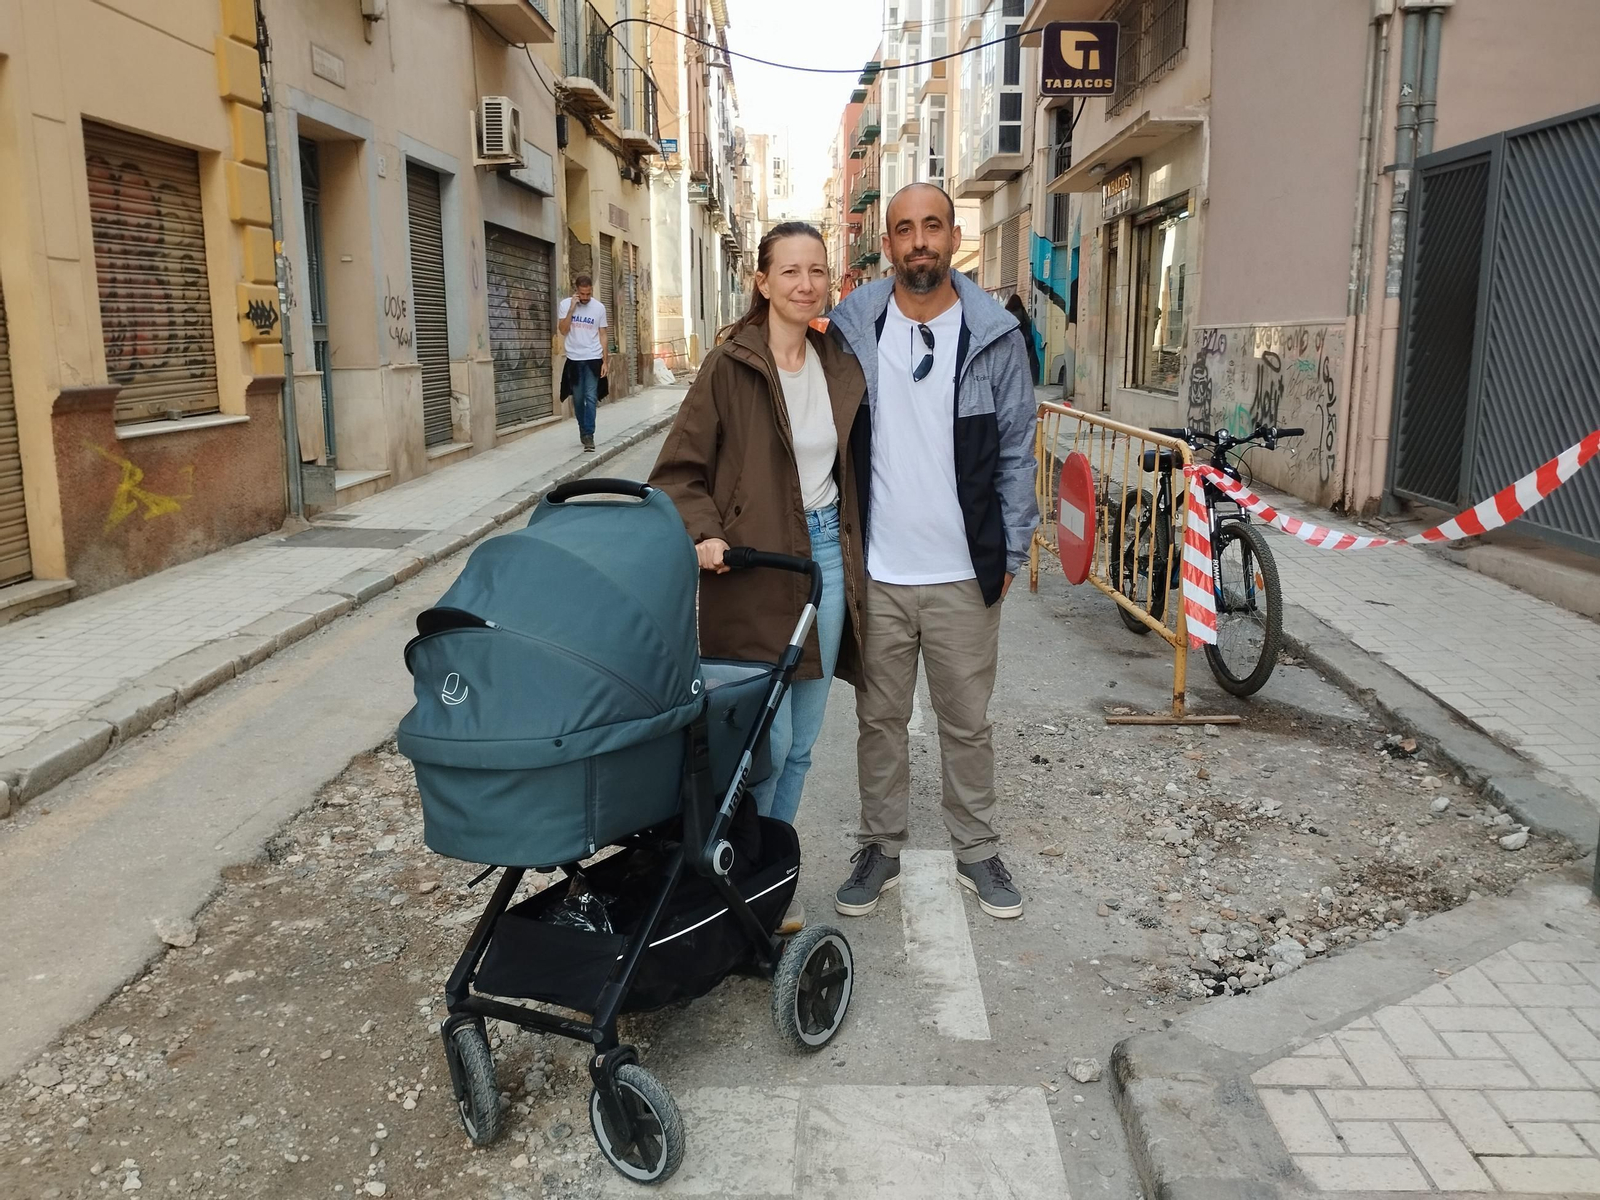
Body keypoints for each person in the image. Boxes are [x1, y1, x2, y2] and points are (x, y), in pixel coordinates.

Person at [825, 183, 1039, 921]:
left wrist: (1012, 549)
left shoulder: (993, 333)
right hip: (879, 572)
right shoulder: (855, 324)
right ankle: (880, 844)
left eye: (933, 227)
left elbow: (1016, 449)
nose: (919, 241)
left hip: (962, 573)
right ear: (887, 243)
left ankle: (977, 849)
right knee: (878, 721)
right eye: (905, 229)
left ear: (953, 236)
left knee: (966, 721)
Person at [650, 222, 867, 933]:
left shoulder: (839, 360)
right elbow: (680, 470)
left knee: (802, 741)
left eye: (817, 271)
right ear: (763, 281)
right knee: (758, 743)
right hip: (750, 567)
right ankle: (728, 877)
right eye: (791, 271)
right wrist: (705, 532)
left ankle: (765, 883)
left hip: (825, 558)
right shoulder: (729, 365)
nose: (806, 284)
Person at [558, 275, 608, 451]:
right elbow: (563, 331)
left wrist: (605, 361)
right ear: (576, 291)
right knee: (578, 399)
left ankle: (589, 435)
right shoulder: (565, 305)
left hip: (593, 358)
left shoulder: (599, 308)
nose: (585, 297)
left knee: (590, 396)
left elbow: (603, 335)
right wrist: (572, 309)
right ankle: (582, 429)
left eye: (588, 294)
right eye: (582, 294)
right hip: (574, 359)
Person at [1006, 293, 1041, 385]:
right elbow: (1029, 322)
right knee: (1022, 358)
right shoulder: (1021, 310)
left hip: (1008, 339)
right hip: (1021, 338)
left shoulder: (1006, 310)